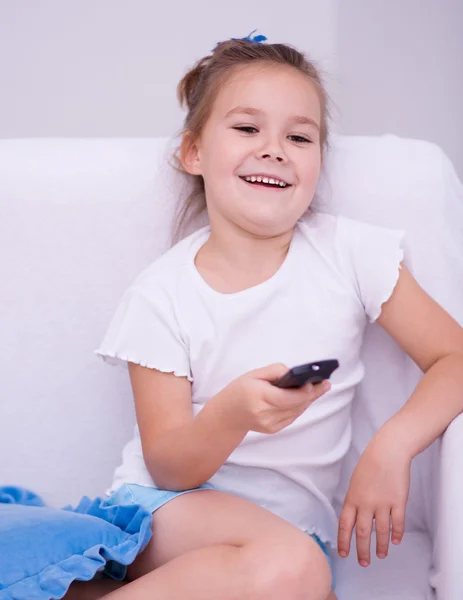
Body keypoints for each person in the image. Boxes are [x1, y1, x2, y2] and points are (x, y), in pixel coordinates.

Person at [67, 35, 463, 600]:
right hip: (166, 513)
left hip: (295, 542)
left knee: (299, 572)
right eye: (247, 129)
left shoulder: (351, 255)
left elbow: (455, 357)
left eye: (299, 137)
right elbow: (169, 466)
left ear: (318, 161)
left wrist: (392, 445)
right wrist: (231, 414)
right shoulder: (161, 294)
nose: (275, 149)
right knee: (293, 568)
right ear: (194, 153)